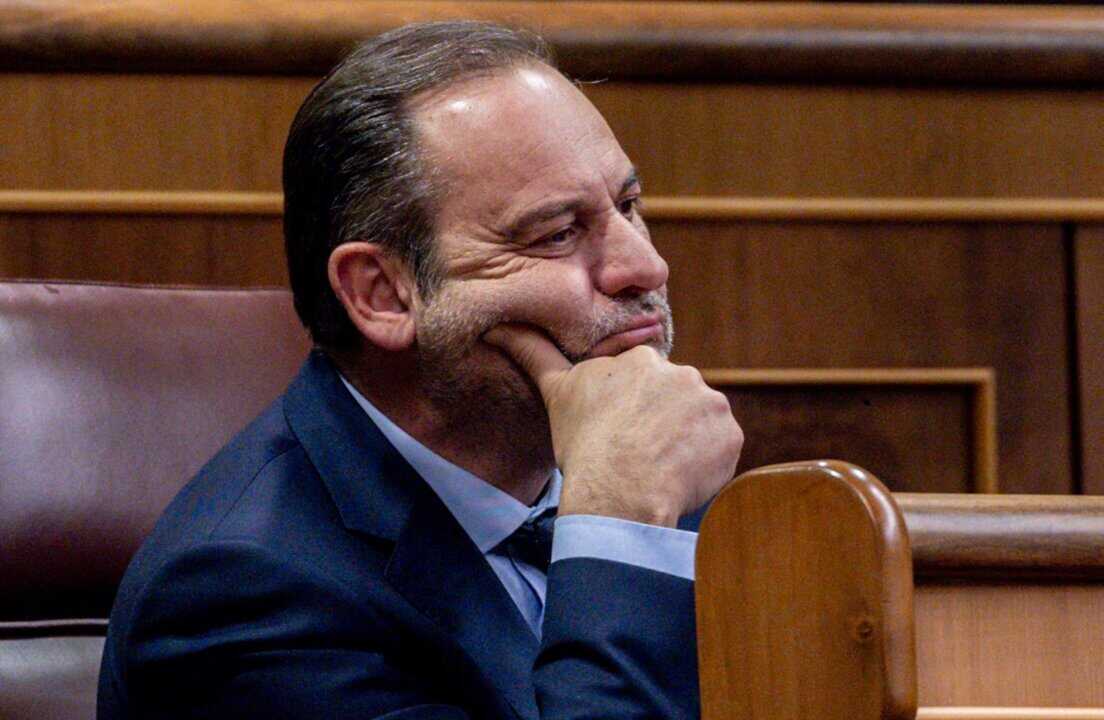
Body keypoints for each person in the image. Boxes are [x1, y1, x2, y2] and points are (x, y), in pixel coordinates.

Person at [97, 20, 743, 719]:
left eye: (627, 206)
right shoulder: (244, 598)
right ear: (382, 294)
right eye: (557, 233)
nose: (645, 266)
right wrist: (620, 529)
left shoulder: (662, 470)